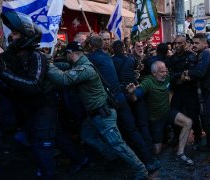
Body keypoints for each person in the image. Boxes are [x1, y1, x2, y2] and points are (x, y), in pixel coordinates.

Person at [46, 41, 148, 179]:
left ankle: (141, 169)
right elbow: (65, 66)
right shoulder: (81, 63)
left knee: (118, 144)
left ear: (71, 54)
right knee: (86, 135)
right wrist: (52, 63)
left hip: (103, 114)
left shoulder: (85, 68)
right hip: (95, 114)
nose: (66, 57)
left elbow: (64, 78)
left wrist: (47, 65)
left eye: (67, 55)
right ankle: (112, 156)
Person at [0, 11, 58, 179]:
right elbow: (15, 87)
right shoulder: (17, 56)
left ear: (26, 35)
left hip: (43, 110)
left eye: (14, 33)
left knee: (43, 147)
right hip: (30, 111)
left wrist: (0, 68)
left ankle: (48, 173)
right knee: (33, 145)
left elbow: (33, 85)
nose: (10, 37)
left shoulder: (37, 56)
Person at [126, 61, 194, 166]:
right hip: (156, 120)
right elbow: (134, 98)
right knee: (157, 151)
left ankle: (180, 153)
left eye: (165, 71)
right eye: (161, 72)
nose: (165, 74)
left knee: (188, 122)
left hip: (167, 113)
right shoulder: (148, 82)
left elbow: (176, 80)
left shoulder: (166, 77)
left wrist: (183, 78)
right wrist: (131, 93)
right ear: (154, 73)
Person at [184, 33, 210, 167]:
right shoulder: (202, 53)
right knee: (206, 122)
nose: (194, 45)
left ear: (204, 43)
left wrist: (187, 73)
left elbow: (199, 72)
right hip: (206, 93)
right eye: (193, 43)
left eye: (196, 43)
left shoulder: (207, 52)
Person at [167, 35, 202, 149]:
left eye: (180, 43)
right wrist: (180, 76)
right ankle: (176, 136)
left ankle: (198, 137)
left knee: (193, 115)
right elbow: (171, 76)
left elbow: (193, 74)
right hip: (178, 91)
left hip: (190, 91)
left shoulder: (191, 56)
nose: (177, 45)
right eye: (175, 43)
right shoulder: (172, 58)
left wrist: (183, 76)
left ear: (185, 43)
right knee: (174, 114)